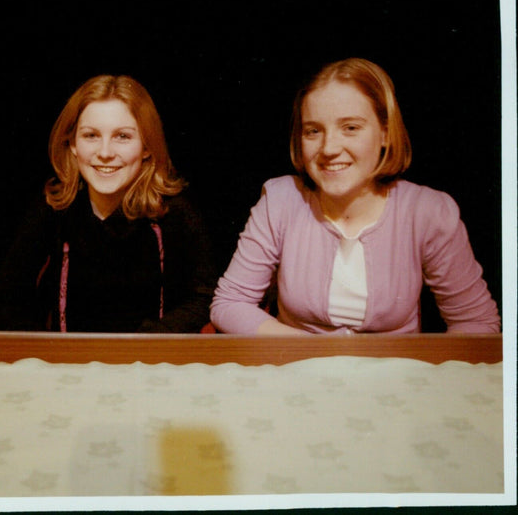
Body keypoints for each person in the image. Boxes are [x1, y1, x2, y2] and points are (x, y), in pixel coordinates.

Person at [211, 58, 500, 335]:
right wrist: (313, 354)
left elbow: (476, 323)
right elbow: (230, 303)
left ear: (386, 132)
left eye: (350, 128)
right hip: (298, 373)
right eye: (313, 131)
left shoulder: (427, 211)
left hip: (397, 379)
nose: (329, 148)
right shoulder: (281, 200)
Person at [0, 75, 215, 333]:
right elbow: (5, 298)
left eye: (122, 136)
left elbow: (204, 297)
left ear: (147, 147)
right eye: (91, 135)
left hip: (150, 362)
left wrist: (142, 347)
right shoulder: (53, 208)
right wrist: (47, 353)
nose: (105, 152)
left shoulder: (174, 212)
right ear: (72, 144)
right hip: (68, 365)